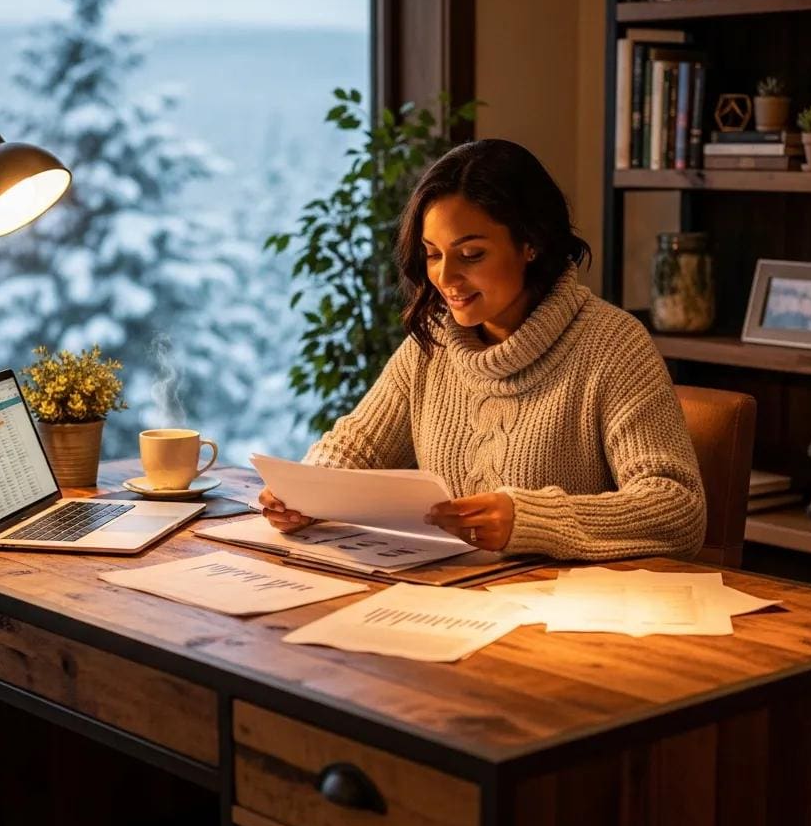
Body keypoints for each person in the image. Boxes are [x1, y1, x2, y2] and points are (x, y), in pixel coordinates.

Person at [259, 138, 706, 559]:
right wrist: (304, 493)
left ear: (530, 243)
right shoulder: (431, 345)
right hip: (453, 601)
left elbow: (679, 509)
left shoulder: (613, 346)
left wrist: (534, 519)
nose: (446, 279)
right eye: (433, 254)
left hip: (563, 616)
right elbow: (357, 447)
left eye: (471, 255)